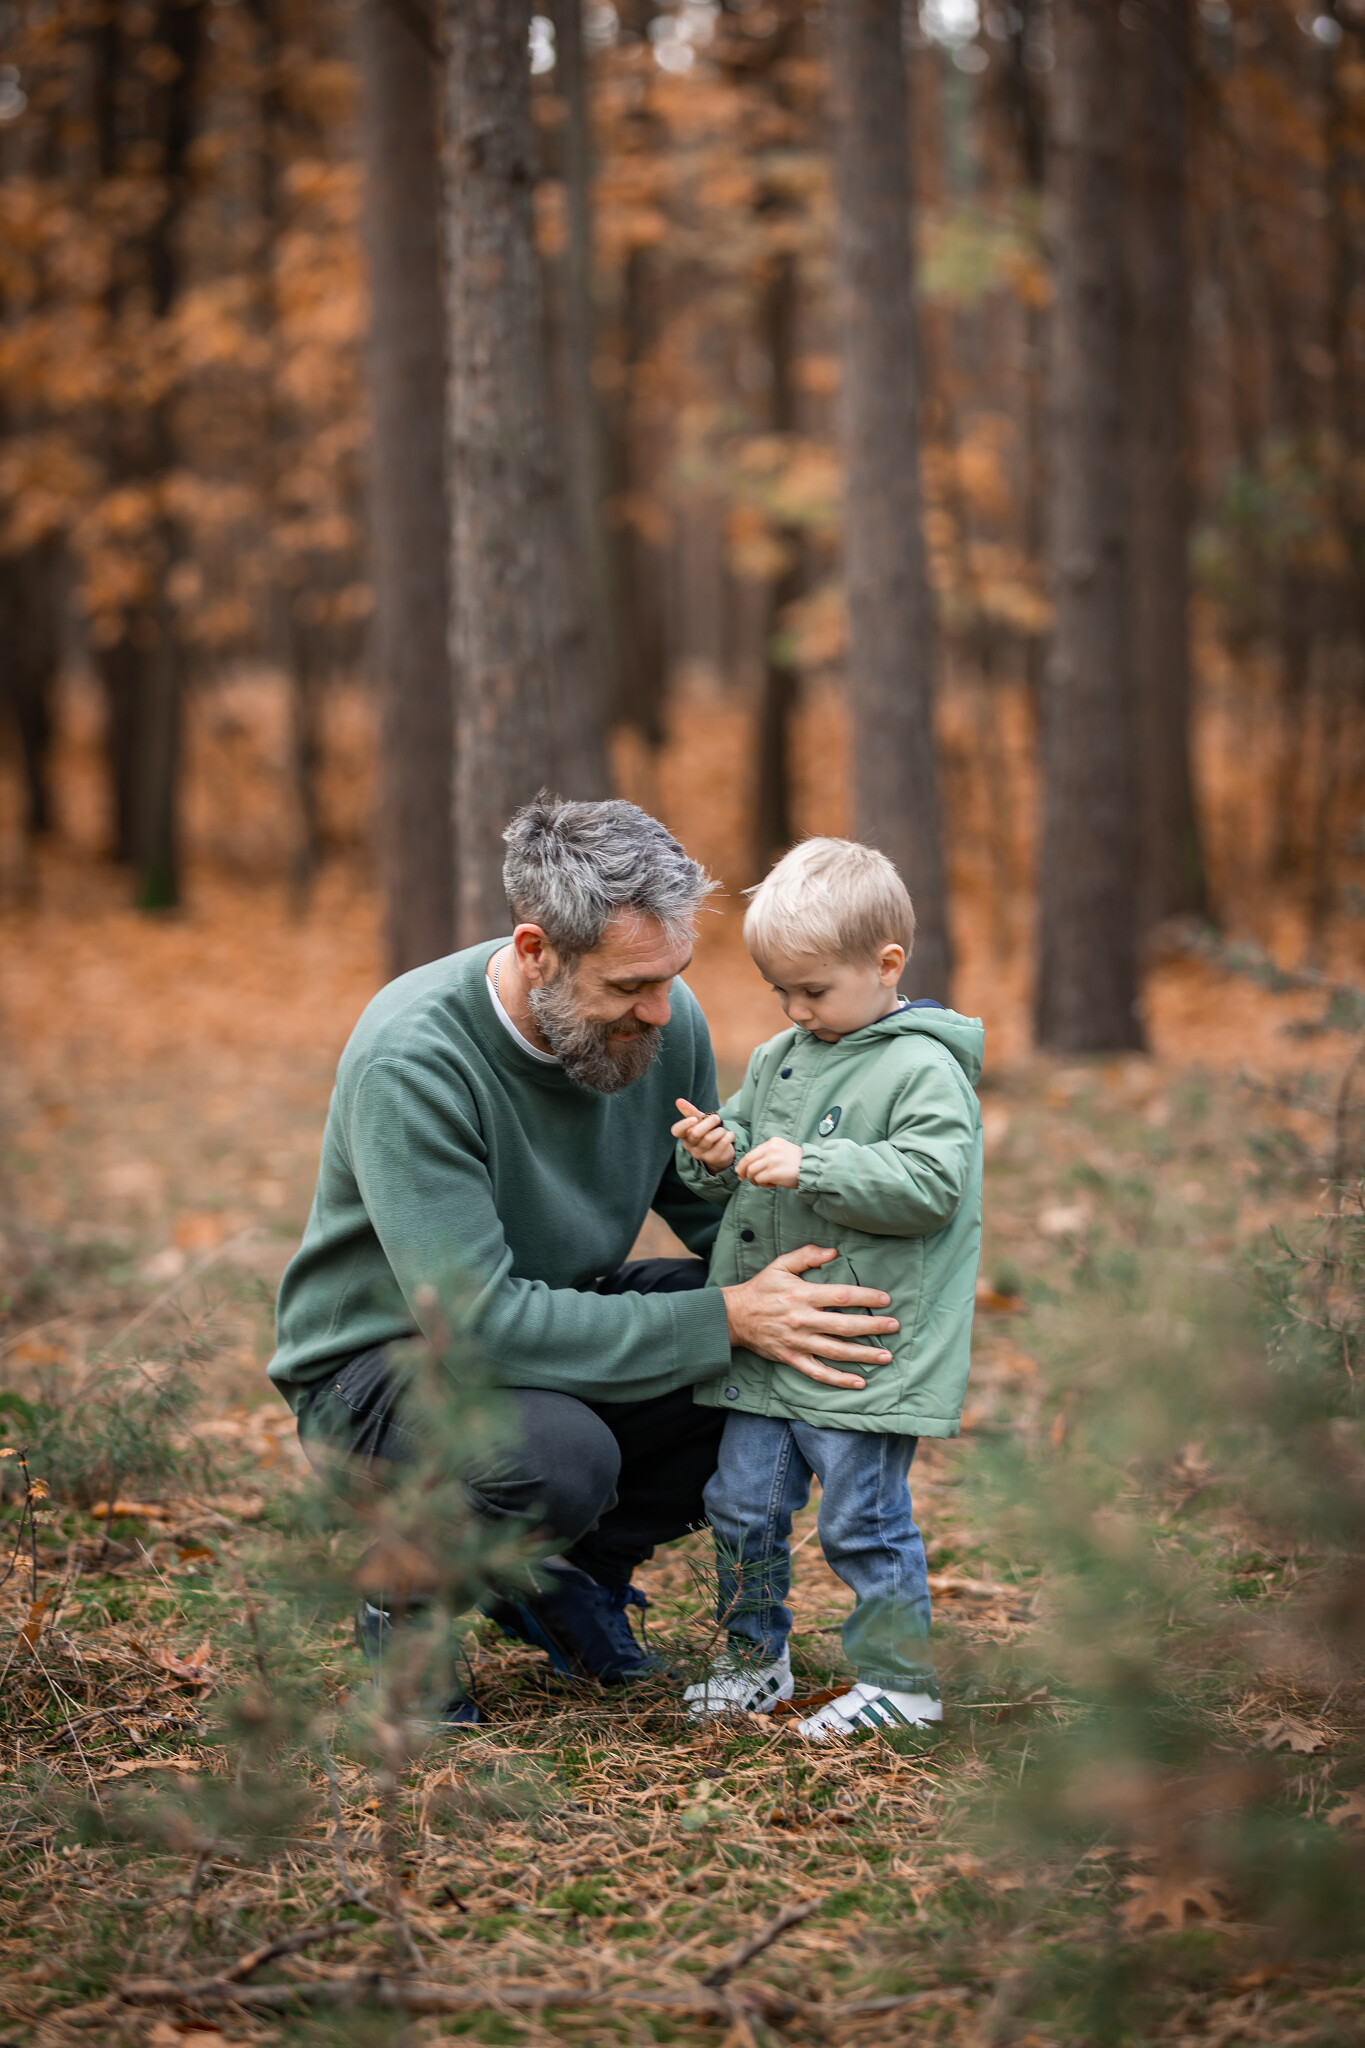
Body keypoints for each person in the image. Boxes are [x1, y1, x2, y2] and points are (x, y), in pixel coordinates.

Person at [268, 797, 900, 1723]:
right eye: (628, 986)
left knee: (776, 1341)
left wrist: (844, 1273)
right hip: (377, 1373)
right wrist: (724, 1316)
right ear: (536, 951)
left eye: (672, 975)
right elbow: (477, 1326)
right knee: (558, 1458)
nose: (661, 1009)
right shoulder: (416, 1059)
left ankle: (570, 1580)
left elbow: (715, 1223)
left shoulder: (659, 1019)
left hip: (546, 1338)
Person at [671, 837, 983, 1738]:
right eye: (781, 991)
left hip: (859, 1348)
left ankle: (901, 1685)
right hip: (770, 1337)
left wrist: (814, 1164)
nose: (796, 1010)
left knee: (861, 1520)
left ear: (886, 966)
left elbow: (930, 1185)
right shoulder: (779, 1058)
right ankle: (751, 1658)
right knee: (739, 1504)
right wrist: (714, 1156)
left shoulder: (922, 1067)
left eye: (814, 990)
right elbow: (740, 1164)